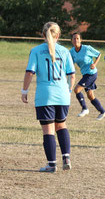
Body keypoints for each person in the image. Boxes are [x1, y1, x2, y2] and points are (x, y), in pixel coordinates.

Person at [21, 22, 76, 172]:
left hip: (45, 96)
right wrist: (68, 91)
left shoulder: (36, 51)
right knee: (61, 125)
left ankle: (52, 164)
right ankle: (66, 157)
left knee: (48, 130)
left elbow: (29, 73)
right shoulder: (65, 51)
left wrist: (24, 91)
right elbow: (72, 75)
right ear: (58, 35)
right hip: (63, 95)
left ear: (43, 34)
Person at [70, 33, 105, 120]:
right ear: (71, 40)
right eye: (74, 39)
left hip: (91, 73)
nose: (76, 40)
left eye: (77, 38)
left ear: (81, 40)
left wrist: (94, 64)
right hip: (85, 74)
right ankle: (103, 112)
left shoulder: (87, 48)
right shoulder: (71, 51)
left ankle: (84, 108)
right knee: (90, 95)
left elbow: (98, 54)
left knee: (77, 90)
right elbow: (70, 63)